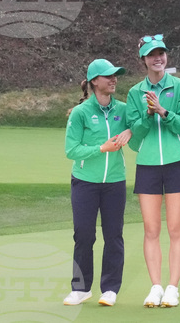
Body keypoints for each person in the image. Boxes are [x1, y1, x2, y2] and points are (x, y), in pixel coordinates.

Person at [127, 34, 180, 308]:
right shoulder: (135, 93)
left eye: (162, 53)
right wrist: (147, 113)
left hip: (177, 161)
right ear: (143, 59)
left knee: (175, 228)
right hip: (148, 164)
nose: (158, 58)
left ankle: (172, 287)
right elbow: (134, 138)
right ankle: (155, 286)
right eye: (152, 54)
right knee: (151, 229)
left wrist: (163, 112)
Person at [63, 58, 131, 307]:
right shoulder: (81, 112)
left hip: (114, 182)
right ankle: (80, 289)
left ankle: (110, 289)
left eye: (115, 75)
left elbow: (140, 126)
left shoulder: (123, 110)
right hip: (85, 182)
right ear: (94, 81)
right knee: (84, 235)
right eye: (108, 76)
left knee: (113, 235)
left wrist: (131, 131)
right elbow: (71, 150)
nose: (113, 79)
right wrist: (101, 148)